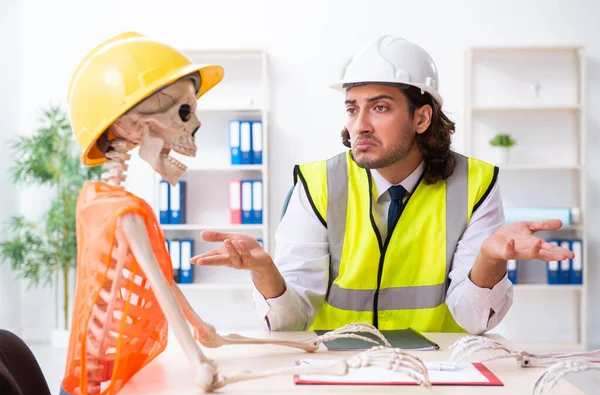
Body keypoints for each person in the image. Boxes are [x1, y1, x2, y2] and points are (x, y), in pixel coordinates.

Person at [191, 35, 574, 334]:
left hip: (436, 373)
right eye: (352, 108)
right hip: (339, 371)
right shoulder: (317, 183)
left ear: (422, 117)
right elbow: (292, 323)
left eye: (380, 107)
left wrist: (490, 259)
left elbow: (474, 320)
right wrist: (267, 275)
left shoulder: (474, 183)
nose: (360, 125)